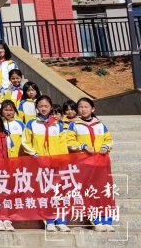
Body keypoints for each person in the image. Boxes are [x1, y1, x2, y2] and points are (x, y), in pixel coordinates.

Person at [22, 95, 70, 232]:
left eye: (46, 106)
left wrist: (63, 161)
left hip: (56, 164)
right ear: (37, 107)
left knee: (59, 192)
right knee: (45, 193)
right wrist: (35, 155)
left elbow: (63, 144)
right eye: (40, 106)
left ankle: (61, 221)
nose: (43, 108)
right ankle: (49, 220)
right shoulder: (31, 123)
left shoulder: (57, 124)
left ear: (51, 107)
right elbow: (25, 142)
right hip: (39, 164)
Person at [66, 97, 113, 232]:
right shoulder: (74, 125)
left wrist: (105, 146)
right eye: (80, 107)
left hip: (101, 164)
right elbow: (69, 142)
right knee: (90, 192)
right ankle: (97, 221)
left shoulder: (100, 125)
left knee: (104, 192)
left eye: (86, 107)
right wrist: (82, 146)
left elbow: (109, 140)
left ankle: (107, 221)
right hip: (84, 164)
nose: (83, 109)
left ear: (92, 109)